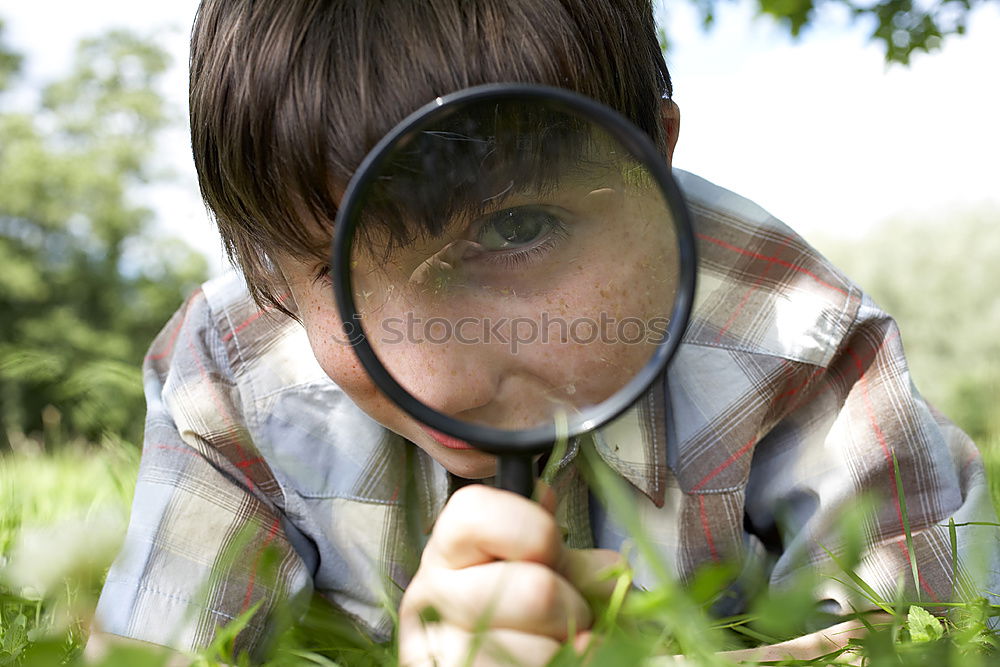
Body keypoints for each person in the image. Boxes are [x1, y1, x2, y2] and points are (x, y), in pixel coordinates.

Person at [89, 0, 999, 664]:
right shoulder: (227, 373)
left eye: (517, 229)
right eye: (333, 272)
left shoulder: (791, 330)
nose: (436, 382)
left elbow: (945, 634)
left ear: (655, 159)